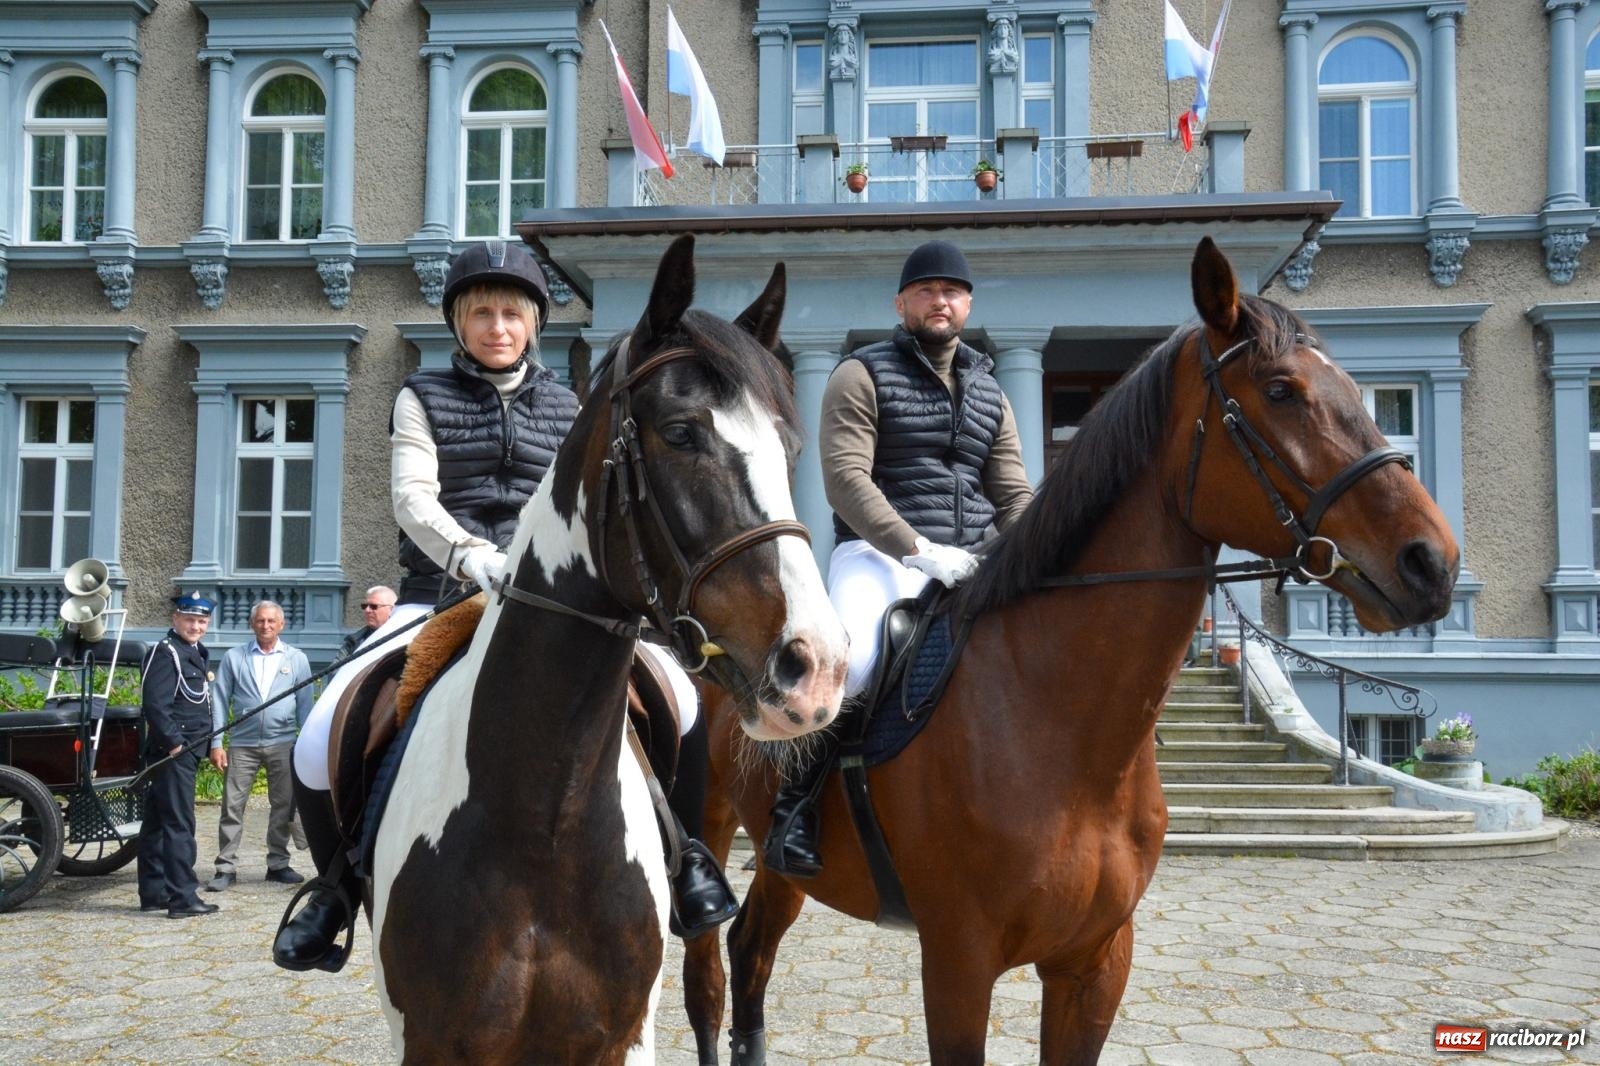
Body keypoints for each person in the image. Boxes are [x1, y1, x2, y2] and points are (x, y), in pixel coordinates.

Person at [275, 240, 736, 973]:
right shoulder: (420, 395)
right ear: (459, 322)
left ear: (533, 323)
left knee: (679, 700)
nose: (497, 327)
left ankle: (687, 863)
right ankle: (336, 890)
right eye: (481, 313)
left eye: (511, 313)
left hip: (558, 606)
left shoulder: (570, 404)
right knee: (322, 729)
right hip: (444, 593)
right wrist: (470, 556)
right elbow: (411, 498)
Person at [763, 240, 1035, 877]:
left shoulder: (991, 391)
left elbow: (1014, 492)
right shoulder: (860, 373)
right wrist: (920, 551)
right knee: (847, 667)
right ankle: (794, 810)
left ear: (967, 303)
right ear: (902, 302)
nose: (940, 301)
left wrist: (1030, 550)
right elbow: (846, 481)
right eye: (927, 291)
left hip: (977, 558)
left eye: (952, 291)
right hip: (880, 556)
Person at [206, 600, 314, 891]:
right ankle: (225, 867)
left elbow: (305, 705)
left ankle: (277, 863)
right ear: (252, 624)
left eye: (271, 621)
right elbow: (219, 700)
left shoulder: (297, 659)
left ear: (281, 625)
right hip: (242, 743)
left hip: (283, 743)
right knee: (232, 806)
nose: (265, 626)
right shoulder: (234, 657)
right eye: (260, 621)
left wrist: (308, 744)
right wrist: (217, 742)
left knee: (282, 806)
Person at [137, 592, 221, 919]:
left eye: (202, 621)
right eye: (190, 619)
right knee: (180, 825)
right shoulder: (165, 652)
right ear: (176, 620)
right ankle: (183, 898)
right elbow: (155, 704)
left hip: (187, 747)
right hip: (174, 750)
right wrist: (173, 742)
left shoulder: (194, 652)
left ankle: (154, 892)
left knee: (157, 823)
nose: (195, 626)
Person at [335, 585, 396, 662]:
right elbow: (334, 672)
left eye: (374, 606)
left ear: (392, 609)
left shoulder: (402, 638)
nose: (367, 610)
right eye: (365, 606)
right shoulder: (354, 641)